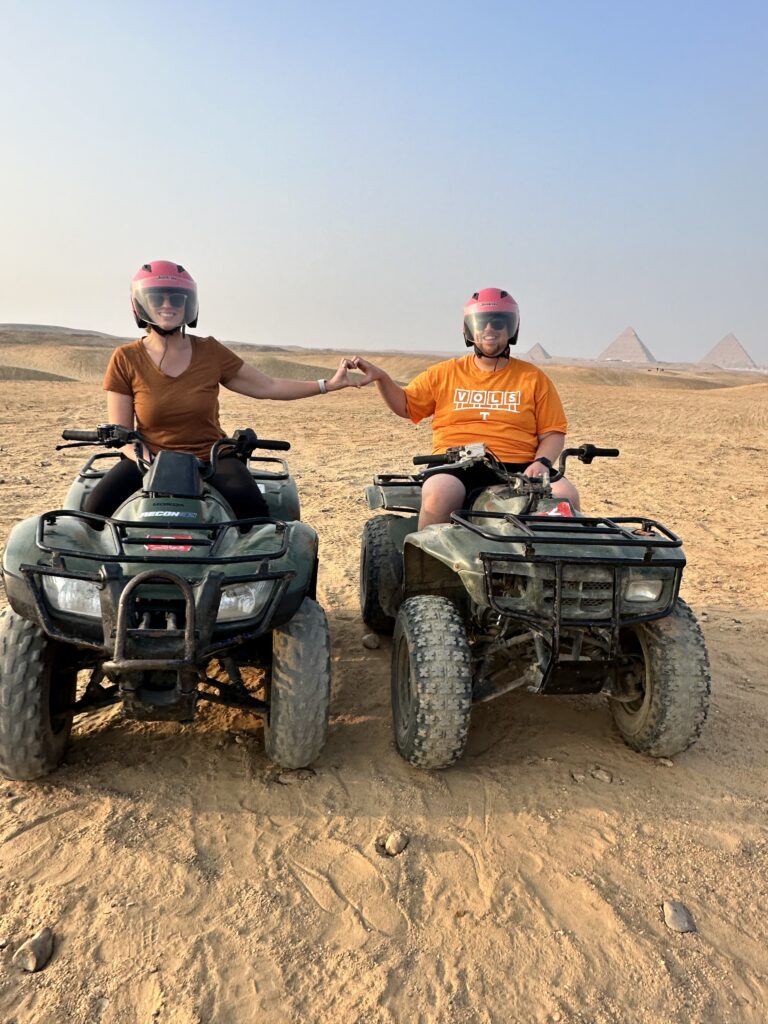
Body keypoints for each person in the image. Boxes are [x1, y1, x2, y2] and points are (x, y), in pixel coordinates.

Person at [84, 260, 361, 521]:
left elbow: (268, 386)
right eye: (158, 298)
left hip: (211, 456)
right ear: (141, 304)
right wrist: (149, 461)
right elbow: (122, 435)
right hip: (149, 458)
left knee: (253, 512)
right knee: (94, 510)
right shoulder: (126, 358)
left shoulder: (210, 351)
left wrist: (328, 385)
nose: (167, 305)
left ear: (188, 304)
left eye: (176, 298)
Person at [352, 287, 580, 528]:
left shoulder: (533, 378)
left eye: (498, 322)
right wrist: (382, 378)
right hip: (456, 464)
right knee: (441, 494)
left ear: (512, 328)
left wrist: (542, 463)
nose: (490, 329)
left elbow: (552, 432)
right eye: (482, 323)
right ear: (469, 329)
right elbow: (407, 406)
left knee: (566, 495)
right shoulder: (445, 372)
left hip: (520, 467)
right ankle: (425, 564)